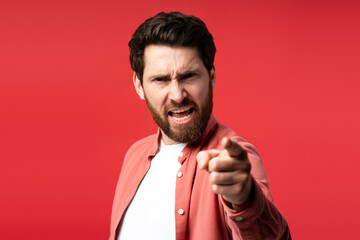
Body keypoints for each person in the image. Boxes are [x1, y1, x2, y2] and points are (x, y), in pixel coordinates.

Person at [109, 11, 291, 240]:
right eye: (160, 79)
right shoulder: (134, 155)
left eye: (189, 76)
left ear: (211, 77)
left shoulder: (233, 160)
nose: (177, 95)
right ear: (139, 85)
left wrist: (246, 199)